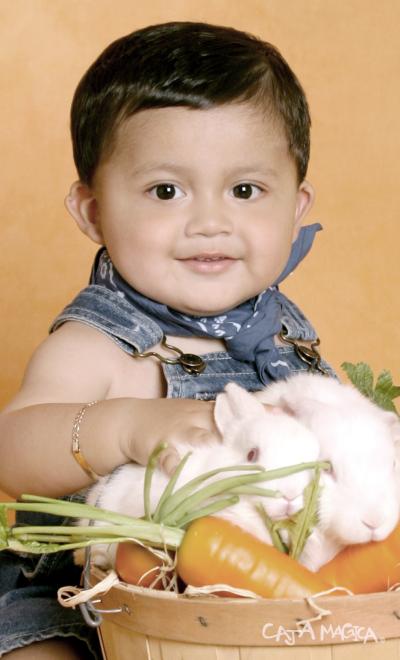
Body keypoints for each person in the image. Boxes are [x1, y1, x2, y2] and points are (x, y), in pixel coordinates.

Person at [0, 21, 335, 659]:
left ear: (296, 206)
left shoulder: (287, 335)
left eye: (245, 190)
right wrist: (125, 427)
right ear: (93, 211)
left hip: (254, 604)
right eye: (165, 190)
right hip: (88, 601)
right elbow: (11, 450)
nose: (210, 222)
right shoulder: (96, 346)